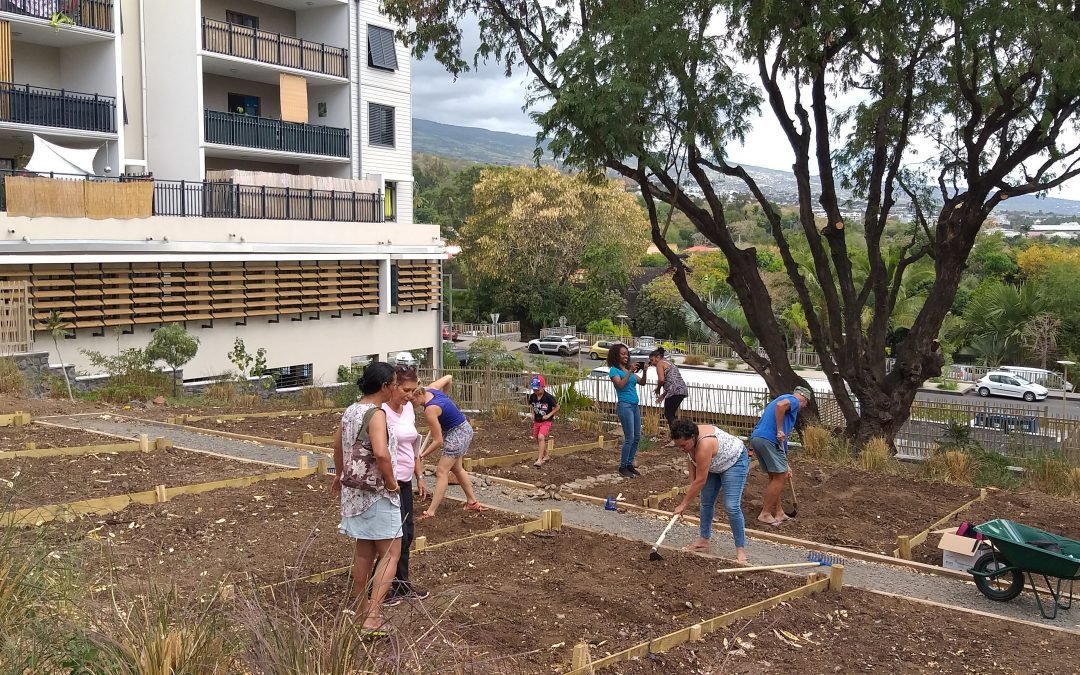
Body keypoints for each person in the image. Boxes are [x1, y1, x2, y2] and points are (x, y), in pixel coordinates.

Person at [331, 362, 401, 635]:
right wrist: (392, 484)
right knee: (391, 553)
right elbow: (381, 453)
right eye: (394, 384)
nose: (395, 388)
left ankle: (361, 611)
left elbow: (337, 445)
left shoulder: (350, 410)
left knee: (364, 553)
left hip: (354, 494)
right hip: (377, 494)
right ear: (384, 386)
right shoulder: (376, 414)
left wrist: (340, 474)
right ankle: (373, 617)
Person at [380, 365, 430, 606]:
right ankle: (381, 588)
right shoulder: (381, 412)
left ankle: (400, 585)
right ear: (393, 386)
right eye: (406, 390)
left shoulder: (408, 409)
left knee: (407, 533)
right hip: (389, 483)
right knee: (393, 536)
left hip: (406, 480)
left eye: (413, 390)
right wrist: (390, 482)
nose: (411, 395)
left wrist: (419, 476)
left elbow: (413, 445)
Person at [669, 419, 751, 562]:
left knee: (731, 506)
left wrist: (683, 504)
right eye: (678, 446)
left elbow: (701, 479)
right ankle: (704, 540)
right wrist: (691, 491)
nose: (681, 449)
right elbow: (693, 473)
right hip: (714, 463)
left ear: (692, 438)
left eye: (683, 445)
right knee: (706, 501)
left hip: (733, 461)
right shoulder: (689, 443)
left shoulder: (704, 445)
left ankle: (740, 549)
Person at [417, 374, 485, 519]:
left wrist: (422, 455)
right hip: (463, 428)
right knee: (457, 468)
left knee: (441, 471)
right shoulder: (432, 388)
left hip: (457, 435)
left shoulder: (430, 410)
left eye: (411, 399)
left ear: (418, 393)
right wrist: (445, 395)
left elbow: (438, 441)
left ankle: (431, 511)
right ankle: (472, 502)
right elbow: (449, 377)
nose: (410, 402)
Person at [749, 386, 813, 526]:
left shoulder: (781, 400)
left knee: (775, 476)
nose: (802, 408)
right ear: (803, 399)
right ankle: (765, 513)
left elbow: (782, 441)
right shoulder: (793, 400)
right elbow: (781, 406)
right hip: (769, 439)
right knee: (780, 476)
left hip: (758, 438)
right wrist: (779, 430)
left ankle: (779, 512)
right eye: (805, 405)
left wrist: (786, 464)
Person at [607, 343, 647, 478]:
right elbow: (620, 385)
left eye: (627, 354)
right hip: (625, 406)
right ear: (616, 356)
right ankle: (623, 466)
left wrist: (645, 371)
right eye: (622, 354)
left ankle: (629, 463)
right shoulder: (614, 371)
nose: (626, 356)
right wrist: (629, 371)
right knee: (629, 438)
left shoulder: (628, 370)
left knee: (637, 437)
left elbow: (642, 382)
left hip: (635, 406)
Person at [650, 347, 688, 446]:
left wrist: (658, 388)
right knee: (671, 414)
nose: (652, 363)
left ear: (657, 357)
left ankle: (676, 438)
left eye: (652, 360)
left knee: (669, 414)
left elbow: (661, 380)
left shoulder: (660, 363)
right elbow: (671, 381)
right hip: (681, 390)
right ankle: (676, 437)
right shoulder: (669, 363)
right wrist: (663, 395)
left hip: (674, 391)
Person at [527, 374, 560, 467]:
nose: (536, 391)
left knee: (541, 437)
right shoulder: (533, 397)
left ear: (543, 387)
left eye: (538, 389)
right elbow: (532, 406)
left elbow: (557, 407)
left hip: (546, 421)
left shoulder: (548, 397)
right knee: (537, 438)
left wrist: (549, 415)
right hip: (537, 421)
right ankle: (546, 455)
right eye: (534, 390)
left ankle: (539, 459)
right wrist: (533, 414)